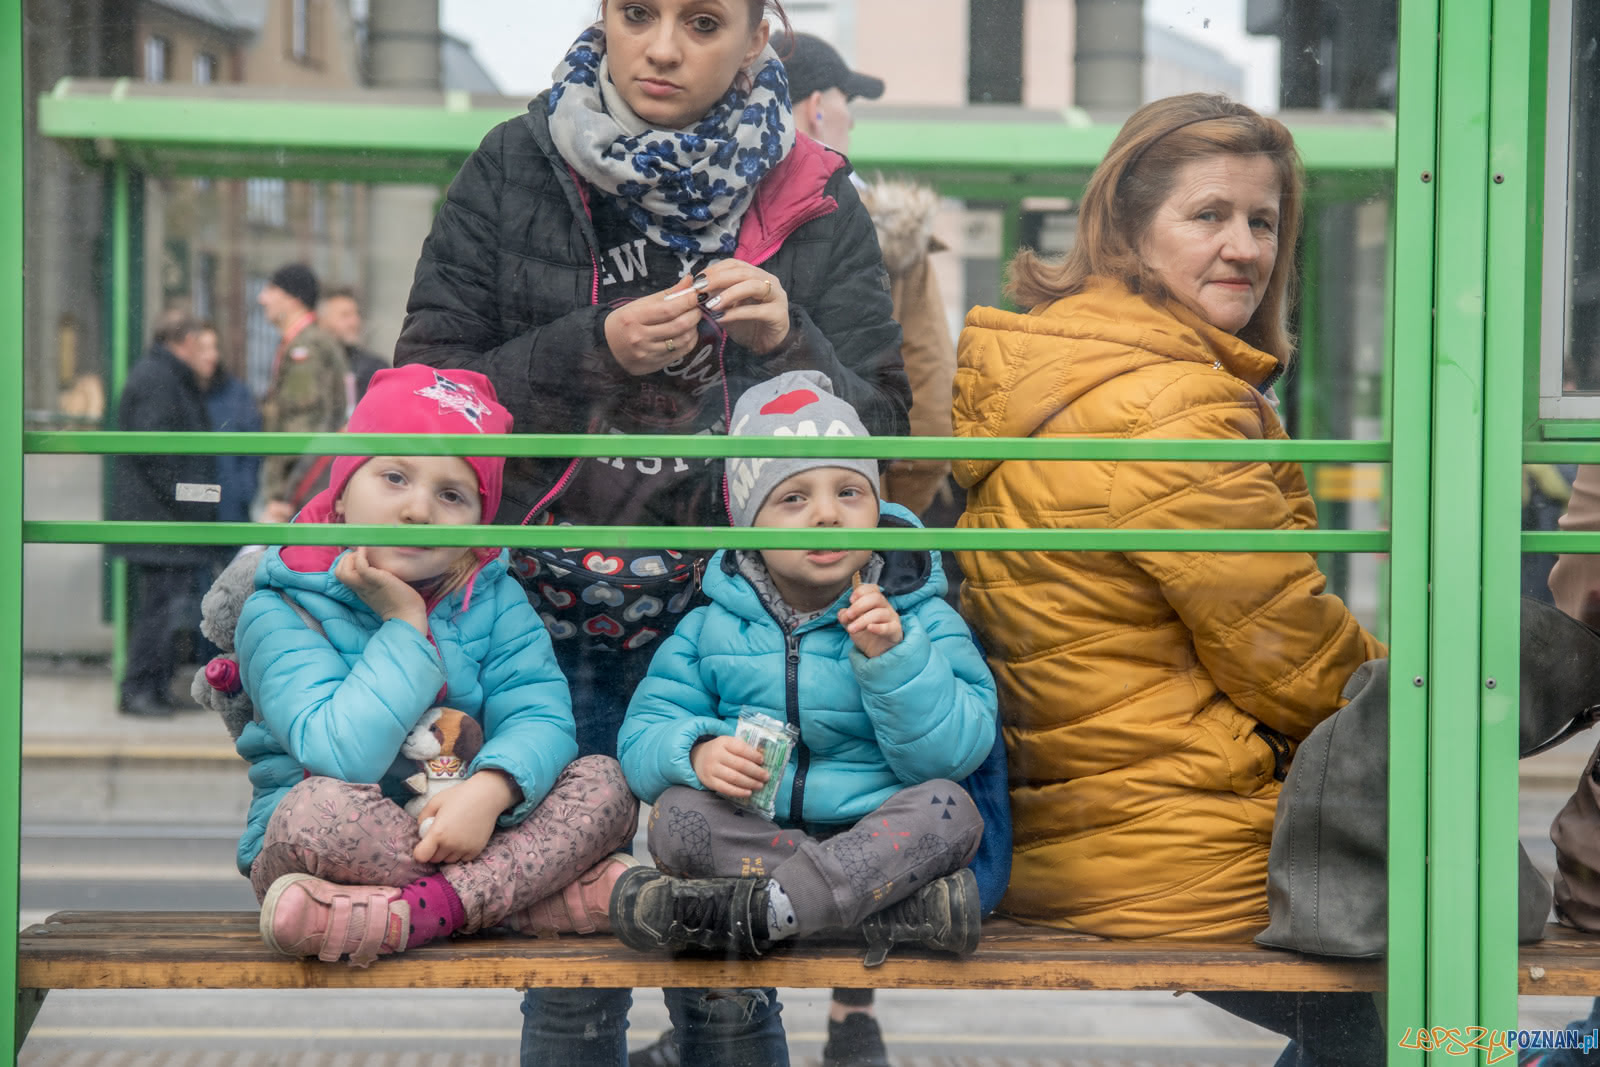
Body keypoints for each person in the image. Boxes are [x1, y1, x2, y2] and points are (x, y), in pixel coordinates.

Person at [393, 2, 911, 1062]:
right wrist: (592, 349)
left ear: (758, 41)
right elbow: (423, 390)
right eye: (638, 13)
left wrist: (788, 340)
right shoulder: (515, 164)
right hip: (546, 618)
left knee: (725, 959)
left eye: (703, 21)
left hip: (731, 626)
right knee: (573, 954)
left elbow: (886, 429)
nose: (663, 47)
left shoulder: (811, 193)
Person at [952, 93, 1387, 1065]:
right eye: (1209, 215)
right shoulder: (1170, 405)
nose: (1244, 246)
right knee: (1447, 993)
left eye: (1263, 220)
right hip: (1176, 845)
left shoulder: (1067, 365)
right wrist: (1465, 690)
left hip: (1084, 827)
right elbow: (1301, 666)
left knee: (1378, 1028)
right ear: (1127, 231)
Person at [232, 364, 641, 966]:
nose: (418, 509)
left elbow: (541, 717)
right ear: (342, 492)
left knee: (606, 785)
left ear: (478, 521)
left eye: (451, 495)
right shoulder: (281, 603)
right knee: (315, 812)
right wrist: (404, 625)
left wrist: (492, 790)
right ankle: (518, 902)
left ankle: (409, 915)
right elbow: (340, 754)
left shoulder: (494, 597)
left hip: (472, 832)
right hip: (335, 842)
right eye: (395, 477)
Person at [611, 371, 996, 976]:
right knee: (675, 819)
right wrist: (697, 751)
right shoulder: (711, 627)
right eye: (793, 498)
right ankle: (870, 908)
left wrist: (893, 658)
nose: (827, 516)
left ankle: (763, 911)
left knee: (950, 809)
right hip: (762, 835)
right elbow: (642, 737)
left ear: (877, 505)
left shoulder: (920, 615)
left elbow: (952, 756)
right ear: (748, 528)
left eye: (850, 492)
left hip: (878, 829)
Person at [108, 310, 222, 718]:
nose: (210, 354)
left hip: (162, 519)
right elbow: (160, 456)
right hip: (162, 521)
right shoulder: (160, 378)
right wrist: (200, 499)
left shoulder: (163, 375)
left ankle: (151, 685)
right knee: (161, 609)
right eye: (202, 343)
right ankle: (139, 688)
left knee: (165, 607)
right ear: (185, 342)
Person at [257, 263, 349, 523]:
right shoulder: (307, 342)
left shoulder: (305, 349)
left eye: (270, 289)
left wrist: (281, 494)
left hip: (301, 490)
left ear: (292, 297)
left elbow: (302, 427)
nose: (262, 298)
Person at [318, 285, 389, 410]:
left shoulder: (375, 369)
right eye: (345, 315)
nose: (354, 322)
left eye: (356, 314)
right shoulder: (313, 364)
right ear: (322, 321)